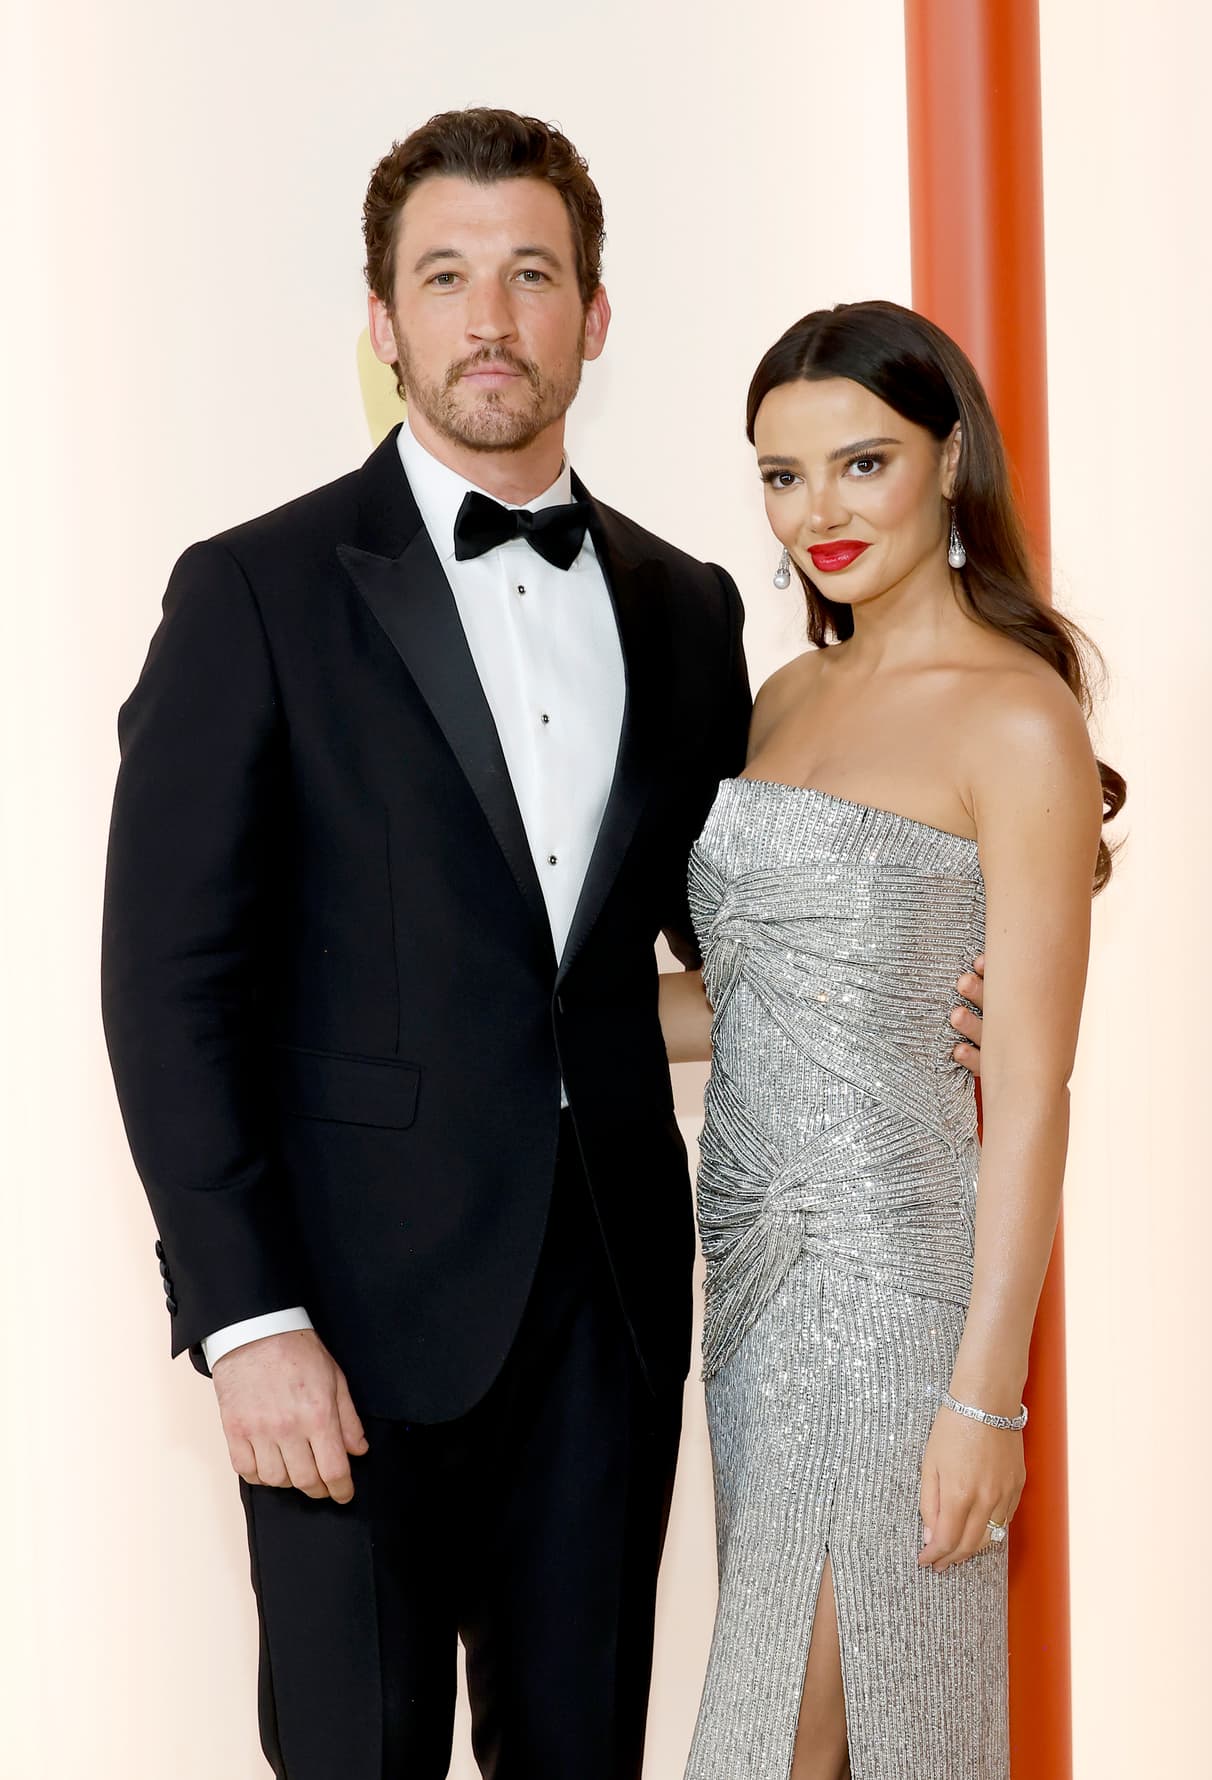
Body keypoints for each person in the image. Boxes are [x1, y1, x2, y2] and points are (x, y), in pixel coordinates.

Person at [100, 110, 986, 1777]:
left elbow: (727, 949)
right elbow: (167, 988)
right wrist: (247, 1320)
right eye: (445, 278)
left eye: (531, 273)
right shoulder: (253, 593)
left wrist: (918, 987)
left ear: (595, 312)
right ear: (383, 322)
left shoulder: (688, 605)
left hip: (611, 1319)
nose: (491, 319)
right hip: (340, 1322)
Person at [659, 300, 1124, 1780]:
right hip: (748, 1298)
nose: (822, 513)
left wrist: (987, 1396)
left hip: (896, 1304)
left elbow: (1032, 1088)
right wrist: (485, 1016)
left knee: (789, 1743)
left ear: (950, 459)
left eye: (863, 463)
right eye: (783, 476)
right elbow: (752, 1000)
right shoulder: (783, 700)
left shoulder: (1017, 720)